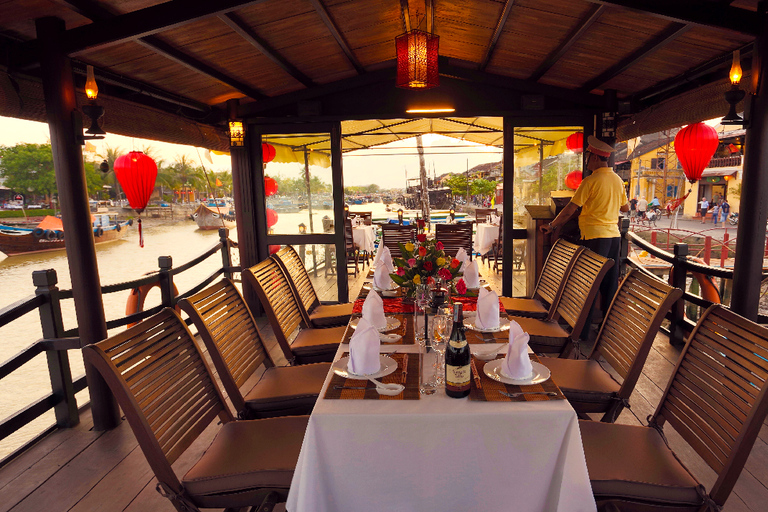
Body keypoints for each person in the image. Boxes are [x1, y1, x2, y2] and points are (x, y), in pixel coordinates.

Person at [540, 135, 629, 324]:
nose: (587, 160)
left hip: (595, 237)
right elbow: (625, 208)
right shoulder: (618, 180)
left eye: (588, 156)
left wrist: (552, 225)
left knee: (589, 284)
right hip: (613, 238)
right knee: (609, 284)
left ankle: (583, 331)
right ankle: (607, 329)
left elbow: (571, 208)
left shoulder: (590, 181)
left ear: (595, 157)